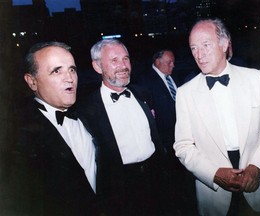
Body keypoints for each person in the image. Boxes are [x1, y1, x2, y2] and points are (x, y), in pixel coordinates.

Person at [173, 18, 260, 216]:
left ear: (224, 44)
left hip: (258, 186)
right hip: (214, 197)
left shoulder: (255, 79)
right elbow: (183, 146)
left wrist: (257, 167)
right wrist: (214, 174)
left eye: (205, 45)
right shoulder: (185, 93)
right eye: (193, 48)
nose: (199, 54)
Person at [78, 39, 167, 216]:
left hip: (156, 178)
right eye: (114, 60)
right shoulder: (87, 109)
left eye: (126, 59)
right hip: (122, 188)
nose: (123, 65)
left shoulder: (143, 93)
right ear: (97, 67)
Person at [9, 42, 99, 216]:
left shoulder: (89, 112)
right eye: (57, 71)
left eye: (72, 69)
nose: (70, 78)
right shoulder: (18, 137)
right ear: (32, 82)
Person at [136, 49, 196, 215]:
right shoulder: (144, 82)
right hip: (164, 141)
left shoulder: (172, 78)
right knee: (172, 182)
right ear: (157, 62)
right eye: (169, 62)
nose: (173, 65)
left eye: (173, 62)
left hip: (181, 137)